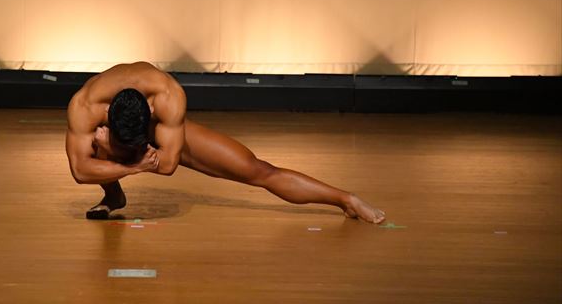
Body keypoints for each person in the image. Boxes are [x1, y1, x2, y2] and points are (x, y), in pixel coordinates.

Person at [65, 62, 385, 223]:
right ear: (107, 114)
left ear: (150, 112)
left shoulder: (168, 96)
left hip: (153, 131)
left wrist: (122, 155)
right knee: (96, 144)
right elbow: (79, 171)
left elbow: (168, 165)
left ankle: (345, 199)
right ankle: (114, 194)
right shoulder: (85, 106)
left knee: (257, 169)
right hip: (112, 137)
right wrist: (126, 159)